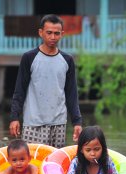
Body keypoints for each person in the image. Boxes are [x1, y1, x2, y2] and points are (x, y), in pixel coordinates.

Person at [9, 14, 82, 148]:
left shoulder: (67, 60)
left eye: (56, 33)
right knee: (33, 162)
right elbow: (20, 90)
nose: (53, 37)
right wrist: (14, 117)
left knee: (54, 164)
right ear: (41, 32)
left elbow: (71, 93)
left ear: (62, 34)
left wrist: (77, 122)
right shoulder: (29, 57)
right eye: (49, 33)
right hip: (33, 122)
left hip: (59, 122)